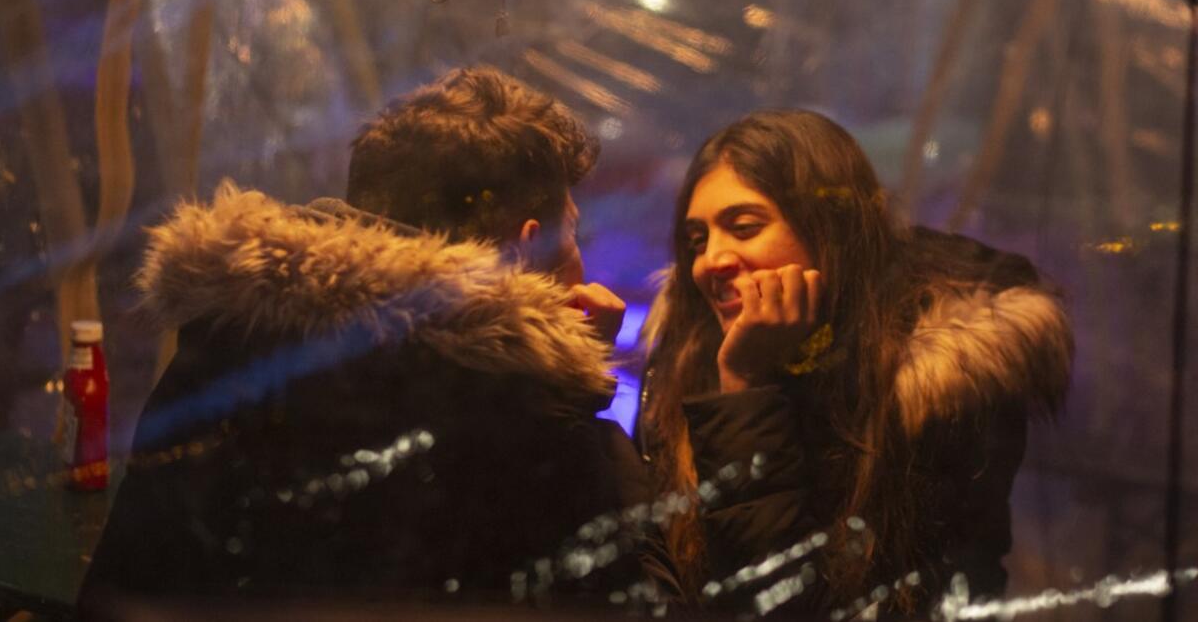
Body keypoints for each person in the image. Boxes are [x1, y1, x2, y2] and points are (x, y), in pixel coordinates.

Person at [80, 67, 661, 614]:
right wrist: (569, 385)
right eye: (573, 236)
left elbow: (132, 568)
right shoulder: (516, 420)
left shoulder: (230, 340)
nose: (581, 265)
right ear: (524, 248)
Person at [636, 110, 1073, 616]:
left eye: (744, 227)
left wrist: (746, 386)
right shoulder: (686, 361)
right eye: (697, 240)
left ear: (829, 232)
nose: (712, 259)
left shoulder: (940, 385)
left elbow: (783, 604)